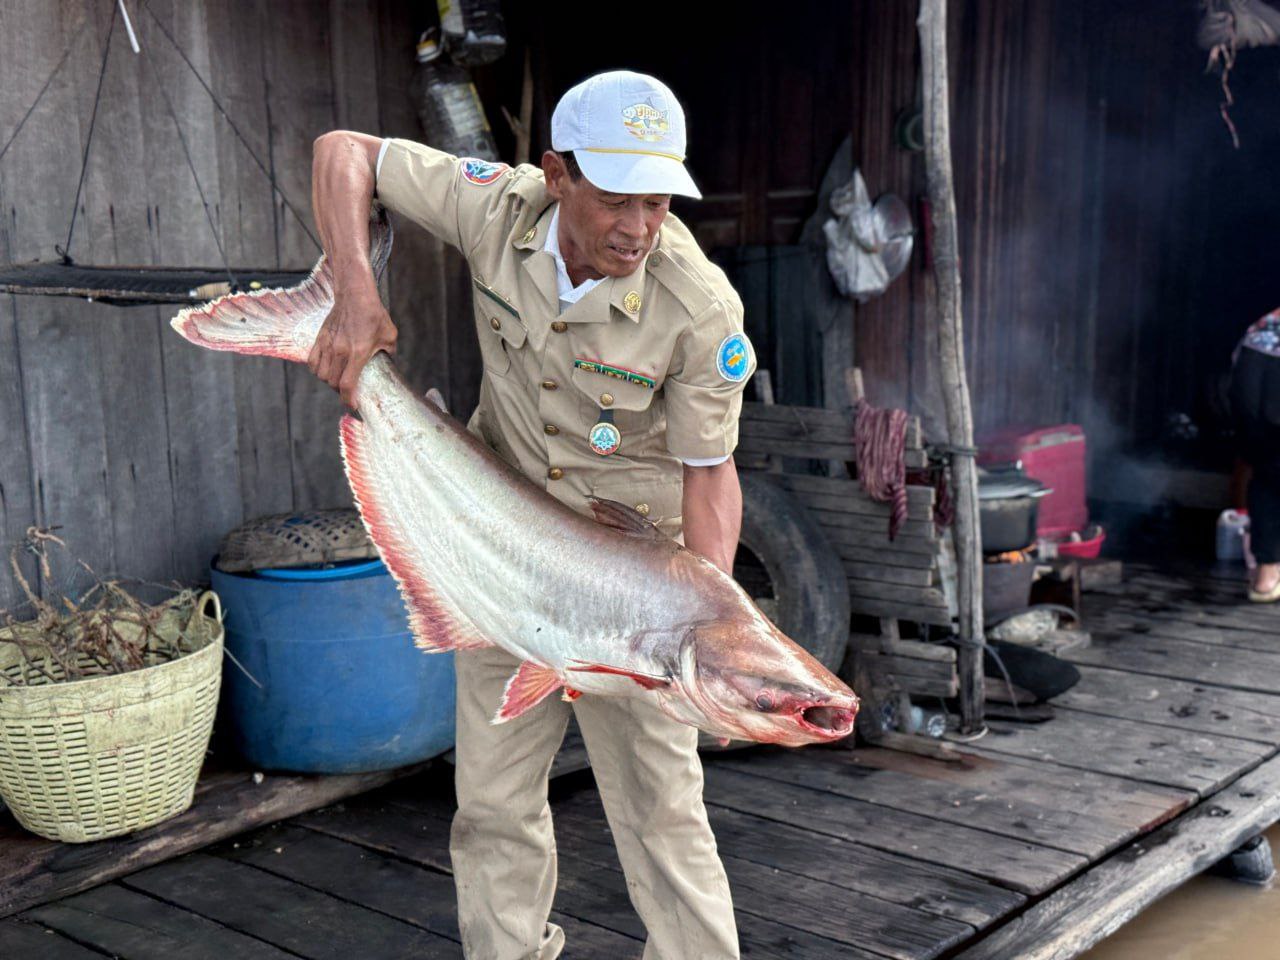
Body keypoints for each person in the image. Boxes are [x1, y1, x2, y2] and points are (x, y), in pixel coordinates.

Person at [309, 70, 753, 959]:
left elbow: (711, 478)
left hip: (633, 589)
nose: (638, 229)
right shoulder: (498, 209)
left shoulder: (700, 309)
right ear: (557, 175)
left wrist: (702, 633)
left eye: (659, 201)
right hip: (498, 557)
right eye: (617, 201)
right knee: (494, 804)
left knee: (662, 812)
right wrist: (355, 293)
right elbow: (343, 153)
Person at [1229, 306, 1280, 602]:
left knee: (1266, 478)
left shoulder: (1264, 323)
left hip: (1253, 395)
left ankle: (1265, 578)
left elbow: (1238, 377)